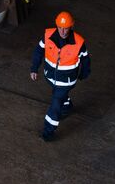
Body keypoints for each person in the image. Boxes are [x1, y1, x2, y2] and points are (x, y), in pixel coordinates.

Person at [30, 11, 90, 141]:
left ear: (72, 26)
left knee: (55, 105)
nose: (62, 31)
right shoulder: (48, 35)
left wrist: (84, 73)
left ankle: (48, 131)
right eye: (60, 27)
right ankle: (67, 106)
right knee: (59, 95)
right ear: (57, 25)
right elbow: (38, 51)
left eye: (66, 28)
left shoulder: (79, 43)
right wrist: (34, 68)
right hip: (51, 77)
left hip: (66, 81)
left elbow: (85, 59)